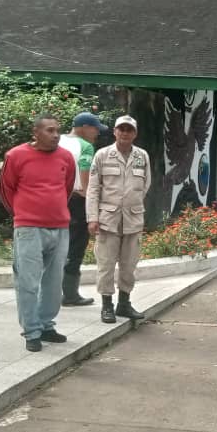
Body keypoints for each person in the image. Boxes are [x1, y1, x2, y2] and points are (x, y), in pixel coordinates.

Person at [0, 113, 76, 352]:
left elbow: (67, 188)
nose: (56, 135)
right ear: (36, 133)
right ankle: (32, 331)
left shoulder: (66, 157)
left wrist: (54, 210)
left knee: (54, 282)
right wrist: (23, 214)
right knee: (28, 282)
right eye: (50, 130)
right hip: (28, 228)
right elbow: (5, 190)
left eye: (57, 130)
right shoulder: (15, 156)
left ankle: (46, 325)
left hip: (60, 227)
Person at [86, 115, 152, 324]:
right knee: (105, 264)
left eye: (129, 130)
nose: (125, 133)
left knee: (129, 265)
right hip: (108, 219)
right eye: (121, 129)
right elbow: (93, 189)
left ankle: (124, 303)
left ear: (135, 133)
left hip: (133, 219)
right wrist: (92, 218)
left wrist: (132, 204)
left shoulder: (142, 156)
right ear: (115, 132)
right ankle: (107, 305)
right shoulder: (102, 155)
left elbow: (145, 185)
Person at [58, 112, 107, 307]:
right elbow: (85, 172)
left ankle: (51, 292)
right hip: (77, 200)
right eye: (95, 129)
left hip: (55, 199)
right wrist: (90, 199)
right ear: (84, 127)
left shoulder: (57, 140)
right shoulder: (85, 146)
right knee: (76, 246)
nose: (97, 133)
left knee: (56, 245)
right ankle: (70, 295)